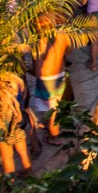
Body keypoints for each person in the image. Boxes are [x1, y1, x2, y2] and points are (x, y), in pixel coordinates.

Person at [31, 12, 70, 145]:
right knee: (54, 105)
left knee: (53, 111)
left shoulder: (39, 42)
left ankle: (54, 137)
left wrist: (27, 69)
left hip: (47, 79)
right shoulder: (62, 35)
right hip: (59, 75)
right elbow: (67, 52)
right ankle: (50, 125)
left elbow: (37, 70)